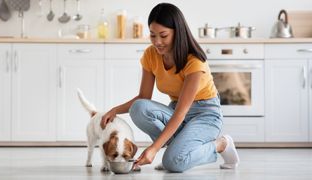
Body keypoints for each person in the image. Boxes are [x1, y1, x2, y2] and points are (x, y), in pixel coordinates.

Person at [101, 3, 240, 172]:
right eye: (152, 35)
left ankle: (221, 144)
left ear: (177, 32)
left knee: (173, 163)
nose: (157, 42)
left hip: (205, 115)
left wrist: (154, 149)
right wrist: (115, 110)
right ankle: (177, 152)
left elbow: (182, 111)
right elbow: (143, 97)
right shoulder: (151, 55)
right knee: (138, 108)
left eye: (163, 35)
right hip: (175, 111)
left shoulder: (194, 61)